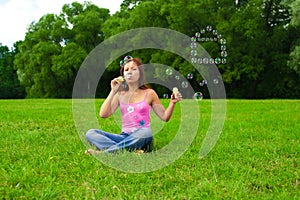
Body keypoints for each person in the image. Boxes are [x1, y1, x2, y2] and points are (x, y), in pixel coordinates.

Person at [85, 55, 182, 154]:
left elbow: (165, 117)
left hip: (143, 137)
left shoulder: (149, 93)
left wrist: (172, 103)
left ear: (140, 73)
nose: (130, 72)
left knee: (145, 131)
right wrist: (113, 91)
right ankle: (129, 150)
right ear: (123, 75)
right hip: (124, 137)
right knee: (91, 133)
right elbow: (103, 114)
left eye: (134, 69)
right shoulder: (120, 94)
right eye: (126, 70)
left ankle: (105, 152)